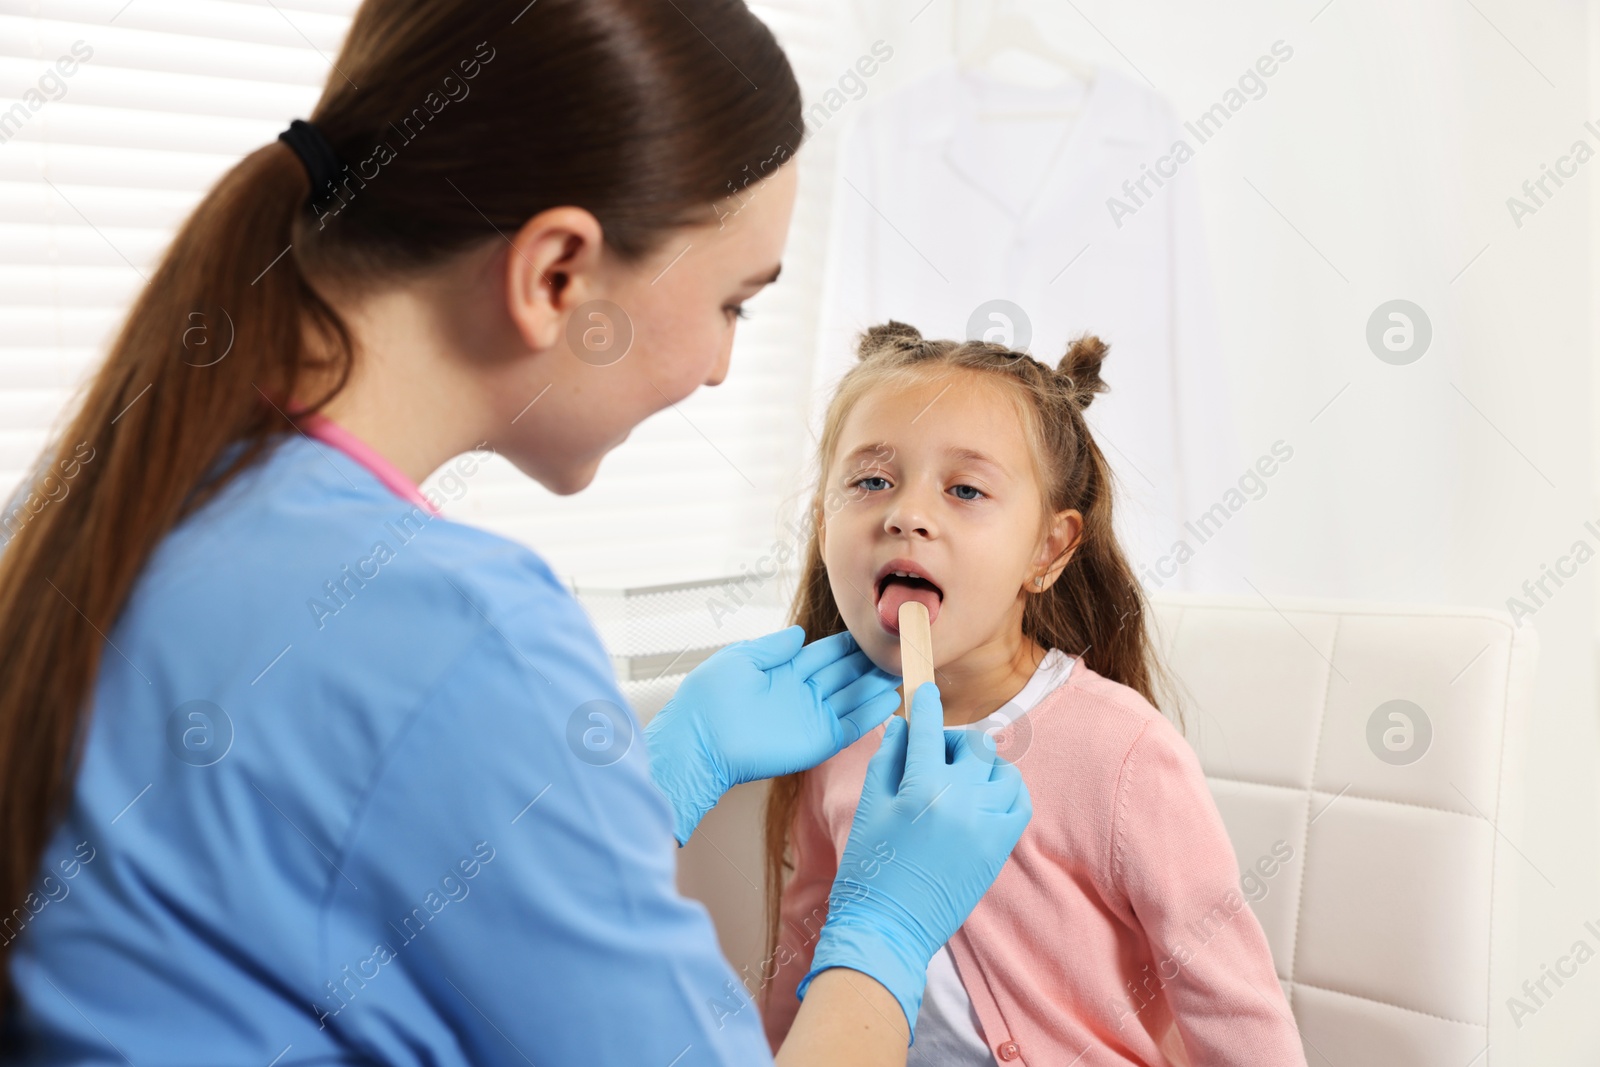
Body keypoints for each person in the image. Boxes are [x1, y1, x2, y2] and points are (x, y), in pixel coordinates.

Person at [0, 3, 1031, 1064]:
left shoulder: (83, 497)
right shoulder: (456, 629)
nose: (723, 364)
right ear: (557, 277)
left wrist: (647, 779)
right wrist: (882, 932)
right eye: (735, 303)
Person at [762, 322, 1309, 1064]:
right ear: (824, 522)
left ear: (1047, 549)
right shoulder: (836, 733)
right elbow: (807, 951)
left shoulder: (1120, 753)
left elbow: (1233, 1009)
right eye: (870, 481)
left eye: (964, 488)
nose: (906, 514)